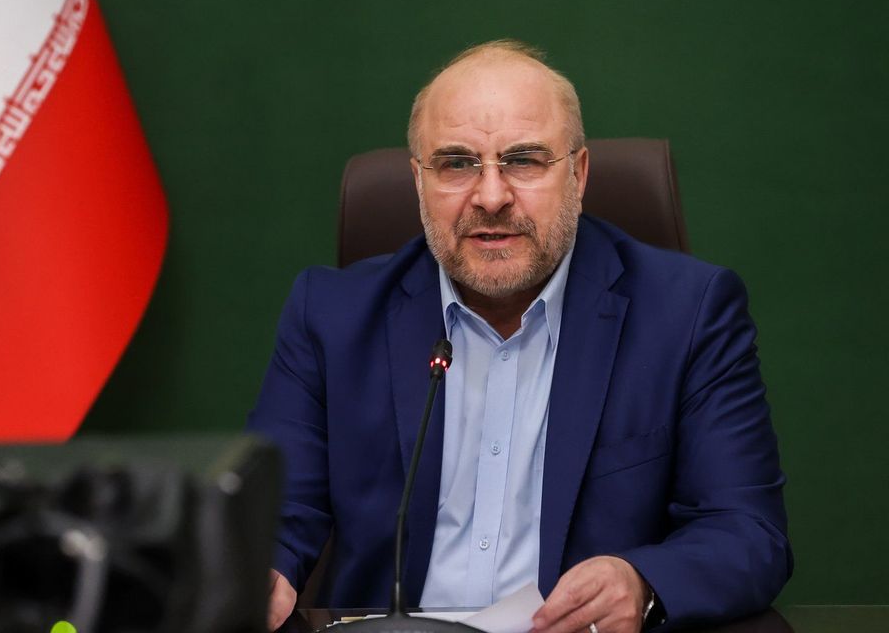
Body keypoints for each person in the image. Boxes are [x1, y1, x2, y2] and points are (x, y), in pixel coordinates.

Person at [247, 40, 791, 633]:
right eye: (457, 164)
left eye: (524, 160)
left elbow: (746, 530)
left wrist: (642, 581)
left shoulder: (687, 314)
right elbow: (275, 515)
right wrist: (259, 573)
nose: (491, 197)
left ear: (579, 174)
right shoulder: (331, 315)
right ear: (418, 181)